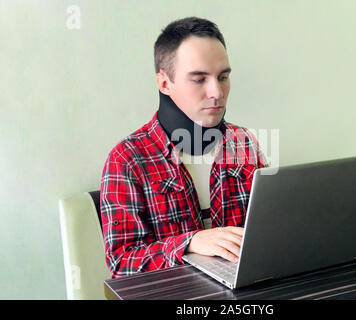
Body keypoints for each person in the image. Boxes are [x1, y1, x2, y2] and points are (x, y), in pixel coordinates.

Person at [100, 16, 268, 278]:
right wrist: (190, 243)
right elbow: (123, 262)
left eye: (223, 77)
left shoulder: (244, 142)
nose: (217, 92)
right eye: (199, 79)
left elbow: (272, 230)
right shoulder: (127, 159)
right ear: (165, 82)